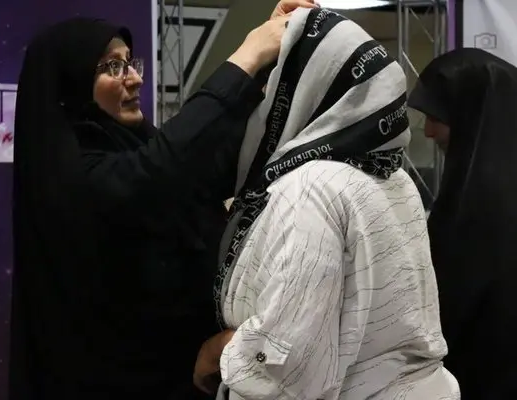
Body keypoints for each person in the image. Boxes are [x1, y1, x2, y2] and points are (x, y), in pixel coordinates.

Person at [9, 1, 317, 399]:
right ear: (71, 86)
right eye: (112, 67)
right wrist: (249, 53)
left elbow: (211, 160)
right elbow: (159, 171)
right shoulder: (68, 179)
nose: (135, 78)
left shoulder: (130, 147)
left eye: (129, 62)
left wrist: (267, 60)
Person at [194, 7, 460, 399]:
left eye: (273, 81)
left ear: (305, 89)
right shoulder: (393, 176)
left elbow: (292, 365)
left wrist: (220, 351)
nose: (262, 97)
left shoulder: (310, 187)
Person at [408, 47, 517, 399]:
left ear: (472, 113)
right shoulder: (475, 189)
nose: (428, 131)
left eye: (437, 116)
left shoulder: (484, 202)